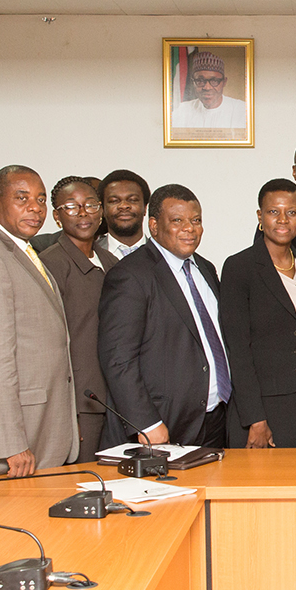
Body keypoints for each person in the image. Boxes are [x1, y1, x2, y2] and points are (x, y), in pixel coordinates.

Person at [0, 165, 78, 480]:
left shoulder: (21, 251)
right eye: (22, 198)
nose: (35, 208)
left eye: (40, 200)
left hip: (42, 428)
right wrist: (10, 443)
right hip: (19, 442)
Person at [96, 184, 230, 449]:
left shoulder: (205, 268)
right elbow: (118, 358)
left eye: (196, 220)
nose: (189, 228)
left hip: (216, 418)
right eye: (177, 221)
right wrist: (146, 423)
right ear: (154, 226)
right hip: (163, 422)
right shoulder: (131, 275)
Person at [220, 179, 296, 448]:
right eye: (273, 212)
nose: (283, 220)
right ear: (260, 217)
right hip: (261, 410)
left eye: (291, 212)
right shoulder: (239, 267)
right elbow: (238, 350)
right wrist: (255, 419)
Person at [39, 176, 118, 460]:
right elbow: (49, 346)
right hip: (80, 405)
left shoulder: (111, 262)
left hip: (114, 400)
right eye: (72, 207)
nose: (83, 213)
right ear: (57, 216)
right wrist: (67, 414)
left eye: (91, 205)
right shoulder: (50, 264)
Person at [172, 51, 246, 131]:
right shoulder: (183, 110)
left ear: (224, 82)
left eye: (214, 81)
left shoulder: (241, 110)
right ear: (193, 82)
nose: (207, 87)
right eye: (200, 81)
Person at [98, 169, 153, 262]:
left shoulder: (164, 254)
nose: (124, 206)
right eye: (114, 201)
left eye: (133, 200)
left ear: (145, 207)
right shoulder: (88, 254)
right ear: (102, 209)